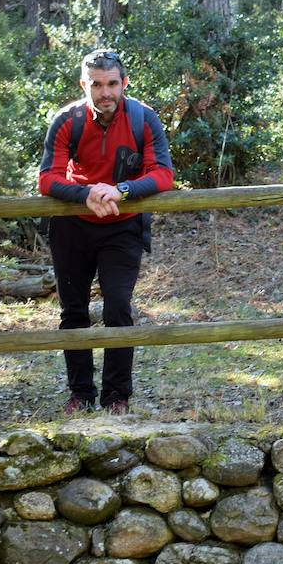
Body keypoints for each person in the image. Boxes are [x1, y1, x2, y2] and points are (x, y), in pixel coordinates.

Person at [38, 48, 174, 415]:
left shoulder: (143, 118)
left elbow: (162, 174)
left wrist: (121, 190)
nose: (105, 93)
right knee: (73, 312)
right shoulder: (67, 119)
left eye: (112, 83)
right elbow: (46, 178)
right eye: (96, 85)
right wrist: (86, 194)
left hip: (122, 225)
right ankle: (81, 394)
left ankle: (117, 397)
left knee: (117, 307)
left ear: (124, 83)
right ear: (84, 85)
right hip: (72, 225)